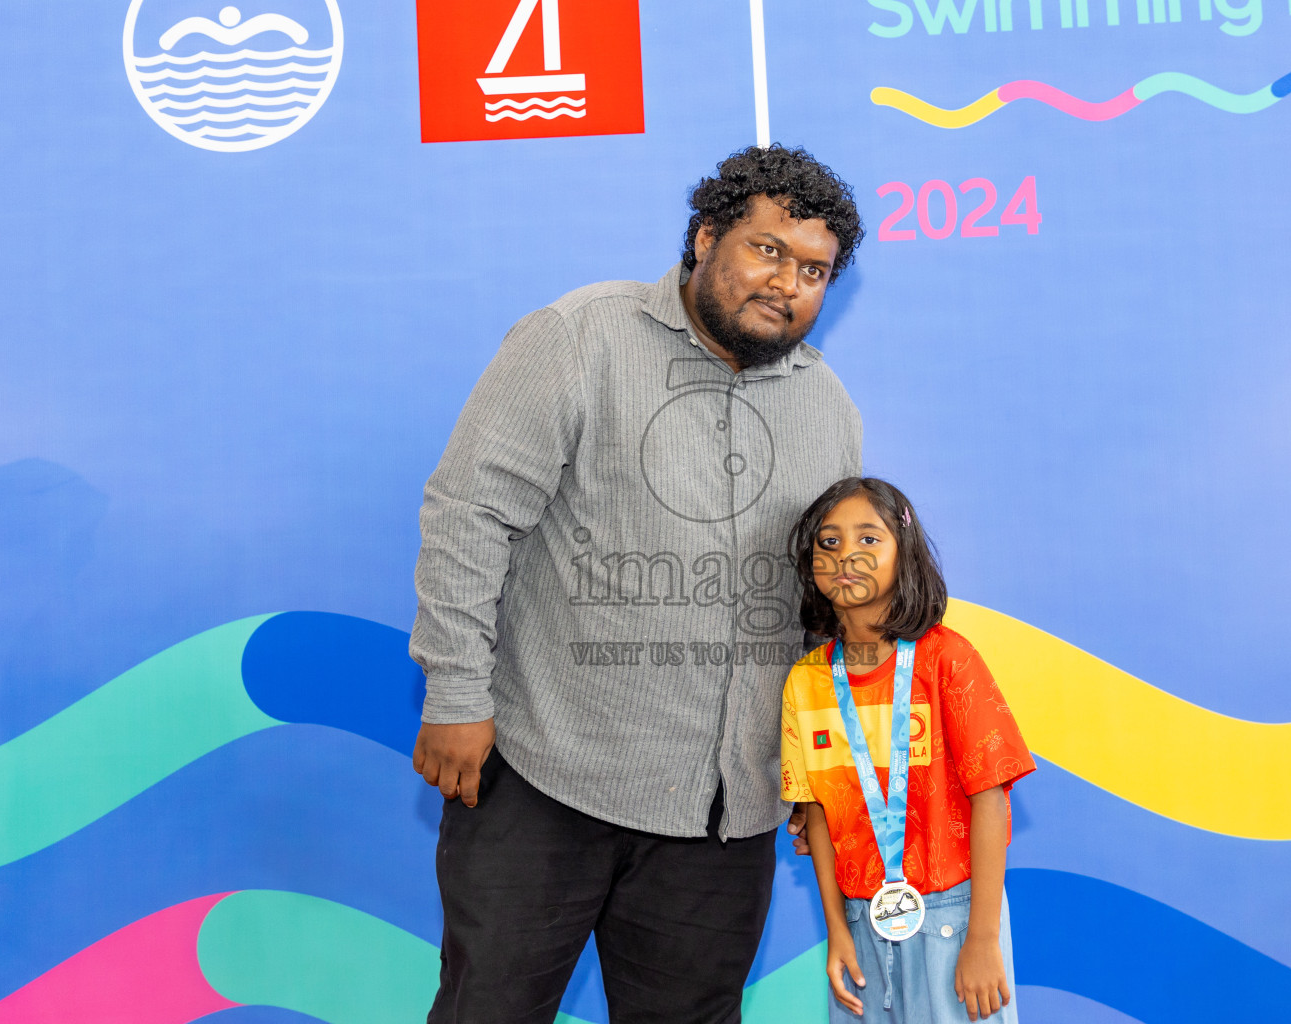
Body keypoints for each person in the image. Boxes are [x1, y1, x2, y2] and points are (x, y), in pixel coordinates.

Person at [408, 145, 865, 1024]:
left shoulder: (829, 409)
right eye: (767, 250)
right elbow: (470, 514)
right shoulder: (579, 338)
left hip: (725, 816)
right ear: (704, 239)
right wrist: (455, 692)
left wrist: (815, 775)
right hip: (547, 780)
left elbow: (822, 610)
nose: (787, 283)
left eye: (814, 270)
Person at [780, 478, 1035, 1022]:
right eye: (829, 542)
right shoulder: (807, 682)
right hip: (859, 925)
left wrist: (983, 939)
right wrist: (836, 930)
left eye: (868, 539)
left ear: (905, 552)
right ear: (811, 566)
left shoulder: (948, 660)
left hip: (956, 920)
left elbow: (991, 800)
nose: (847, 554)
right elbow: (818, 814)